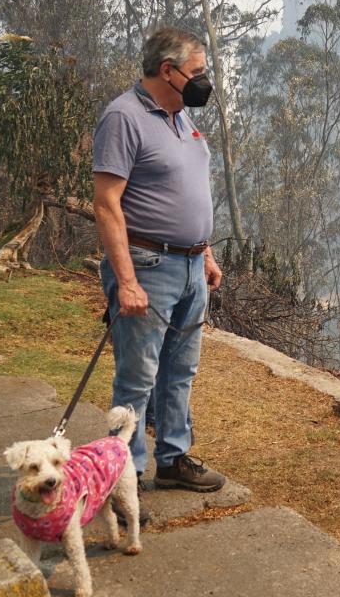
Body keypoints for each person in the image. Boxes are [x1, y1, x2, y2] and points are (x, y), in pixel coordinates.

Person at [91, 27, 226, 497]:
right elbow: (107, 203)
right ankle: (123, 479)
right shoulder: (123, 117)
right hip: (148, 265)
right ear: (167, 71)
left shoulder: (182, 117)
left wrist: (205, 252)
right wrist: (126, 281)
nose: (203, 82)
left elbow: (190, 188)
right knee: (137, 377)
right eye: (198, 73)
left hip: (191, 268)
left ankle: (173, 458)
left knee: (180, 371)